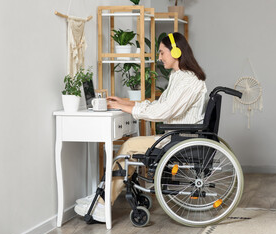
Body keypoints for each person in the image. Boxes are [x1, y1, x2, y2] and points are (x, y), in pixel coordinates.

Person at [74, 32, 208, 222]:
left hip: (179, 139)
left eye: (162, 53)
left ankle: (103, 203)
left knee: (128, 146)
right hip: (177, 136)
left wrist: (124, 107)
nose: (159, 57)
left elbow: (162, 112)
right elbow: (159, 106)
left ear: (176, 52)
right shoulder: (179, 76)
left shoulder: (188, 80)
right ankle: (104, 196)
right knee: (129, 146)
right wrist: (126, 103)